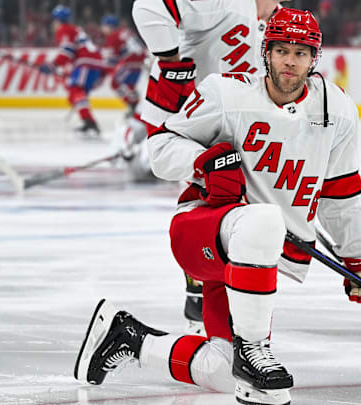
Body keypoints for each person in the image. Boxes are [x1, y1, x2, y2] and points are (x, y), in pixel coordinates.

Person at [74, 8, 361, 405]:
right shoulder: (227, 94)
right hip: (201, 228)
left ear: (315, 59)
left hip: (251, 256)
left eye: (300, 52)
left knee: (224, 372)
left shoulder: (337, 112)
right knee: (264, 221)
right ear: (266, 52)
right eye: (281, 51)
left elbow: (340, 196)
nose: (290, 61)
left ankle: (126, 338)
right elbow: (160, 150)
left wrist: (359, 259)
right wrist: (204, 162)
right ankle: (255, 349)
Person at [132, 0, 290, 323]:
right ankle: (201, 281)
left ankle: (212, 284)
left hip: (219, 125)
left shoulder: (266, 27)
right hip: (181, 122)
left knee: (237, 201)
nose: (280, 5)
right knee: (215, 187)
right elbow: (147, 7)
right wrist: (172, 64)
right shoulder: (227, 2)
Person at [40, 5, 106, 137]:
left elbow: (67, 52)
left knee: (75, 91)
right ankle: (88, 121)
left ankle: (90, 123)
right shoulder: (74, 29)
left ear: (57, 20)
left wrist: (52, 65)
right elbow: (73, 52)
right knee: (75, 94)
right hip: (91, 62)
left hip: (86, 62)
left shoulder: (64, 29)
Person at [100, 14, 146, 114]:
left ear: (110, 26)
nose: (103, 29)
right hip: (139, 63)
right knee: (130, 85)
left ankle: (133, 105)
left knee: (114, 83)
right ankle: (135, 106)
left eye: (104, 26)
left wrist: (103, 72)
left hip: (129, 63)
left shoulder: (113, 35)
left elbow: (111, 60)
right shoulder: (126, 31)